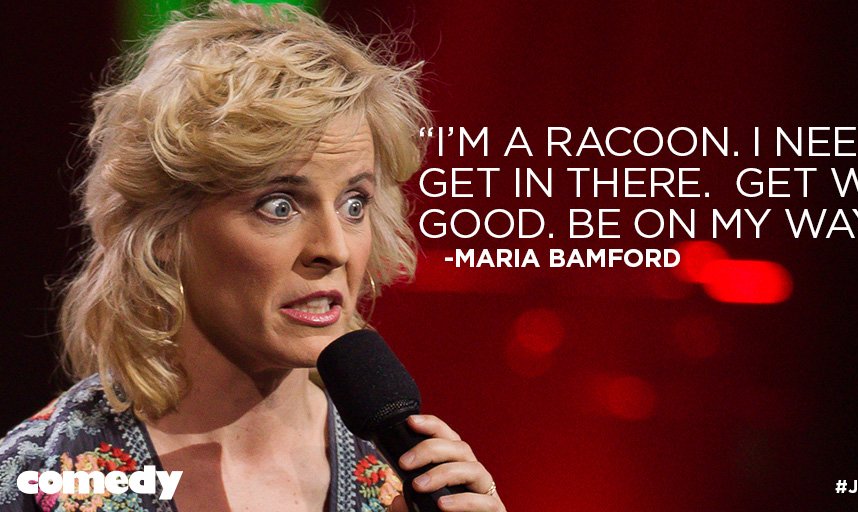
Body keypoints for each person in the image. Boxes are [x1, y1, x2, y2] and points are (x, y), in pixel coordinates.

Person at [0, 2, 506, 511]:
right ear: (163, 228)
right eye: (279, 206)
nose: (333, 249)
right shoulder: (42, 476)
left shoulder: (402, 479)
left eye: (354, 204)